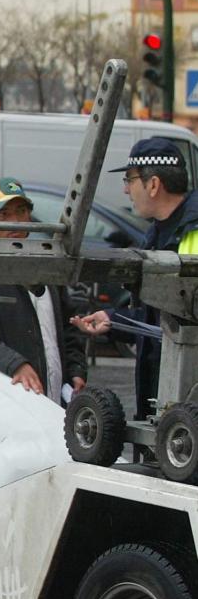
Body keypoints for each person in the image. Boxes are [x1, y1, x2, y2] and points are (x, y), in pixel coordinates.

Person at [71, 137, 198, 419]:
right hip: (171, 396)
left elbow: (183, 321)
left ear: (153, 185)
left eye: (130, 179)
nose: (126, 189)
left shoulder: (190, 231)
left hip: (187, 398)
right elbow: (161, 319)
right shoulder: (158, 233)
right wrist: (114, 320)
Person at [0, 177, 87, 404]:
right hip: (2, 407)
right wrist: (15, 364)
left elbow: (68, 327)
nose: (16, 222)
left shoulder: (45, 266)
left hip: (53, 405)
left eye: (21, 211)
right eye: (3, 214)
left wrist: (76, 369)